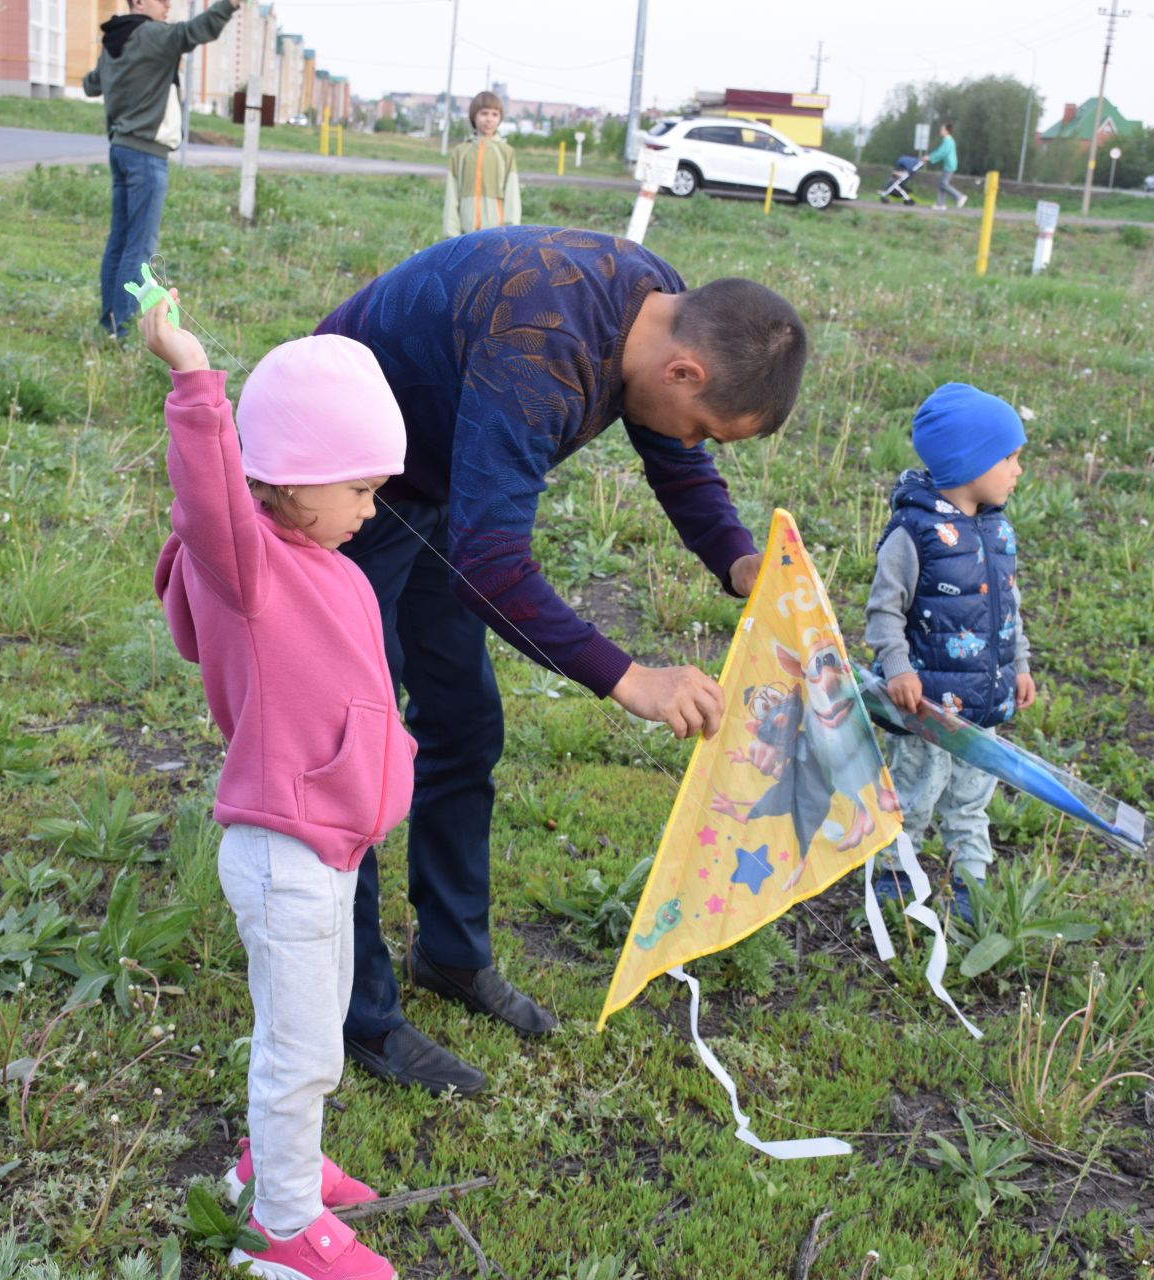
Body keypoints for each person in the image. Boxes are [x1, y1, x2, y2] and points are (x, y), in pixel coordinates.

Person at [315, 227, 806, 1096]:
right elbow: (493, 565)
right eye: (708, 427)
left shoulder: (658, 299)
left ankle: (452, 957)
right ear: (683, 370)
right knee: (349, 751)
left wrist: (737, 559)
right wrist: (631, 680)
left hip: (437, 470)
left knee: (463, 723)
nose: (701, 443)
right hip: (340, 485)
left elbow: (675, 459)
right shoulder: (542, 352)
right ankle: (361, 1015)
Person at [142, 291, 412, 1280]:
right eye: (363, 488)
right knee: (297, 1048)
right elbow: (211, 498)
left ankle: (273, 1159)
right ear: (294, 480)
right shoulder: (247, 566)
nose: (372, 509)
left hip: (331, 845)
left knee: (318, 1024)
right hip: (285, 848)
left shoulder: (323, 556)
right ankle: (283, 1229)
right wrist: (193, 374)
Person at [864, 383, 1037, 924]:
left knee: (970, 801)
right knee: (914, 795)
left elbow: (1008, 607)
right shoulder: (913, 535)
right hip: (926, 709)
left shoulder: (997, 529)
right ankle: (893, 879)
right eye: (1010, 458)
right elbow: (884, 612)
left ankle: (970, 889)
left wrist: (1022, 665)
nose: (1018, 471)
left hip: (982, 704)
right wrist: (897, 669)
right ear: (971, 461)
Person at [85, 0, 237, 340]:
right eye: (161, 0)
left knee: (119, 242)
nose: (168, 5)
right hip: (146, 156)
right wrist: (230, 5)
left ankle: (109, 323)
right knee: (139, 248)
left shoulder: (115, 38)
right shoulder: (151, 34)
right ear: (139, 2)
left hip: (120, 148)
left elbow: (91, 84)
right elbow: (197, 30)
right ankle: (121, 330)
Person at [443, 90, 521, 237]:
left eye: (494, 114)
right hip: (465, 234)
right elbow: (451, 194)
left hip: (496, 235)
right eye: (484, 113)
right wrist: (452, 233)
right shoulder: (460, 152)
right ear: (474, 115)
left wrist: (511, 232)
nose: (489, 119)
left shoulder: (506, 152)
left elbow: (512, 194)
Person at [922, 122, 965, 209]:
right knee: (941, 183)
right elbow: (941, 152)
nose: (940, 131)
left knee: (943, 183)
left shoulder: (948, 141)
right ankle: (940, 204)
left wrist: (929, 157)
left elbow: (941, 153)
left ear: (946, 131)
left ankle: (959, 197)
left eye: (942, 129)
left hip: (949, 165)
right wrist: (930, 157)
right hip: (949, 165)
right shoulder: (947, 140)